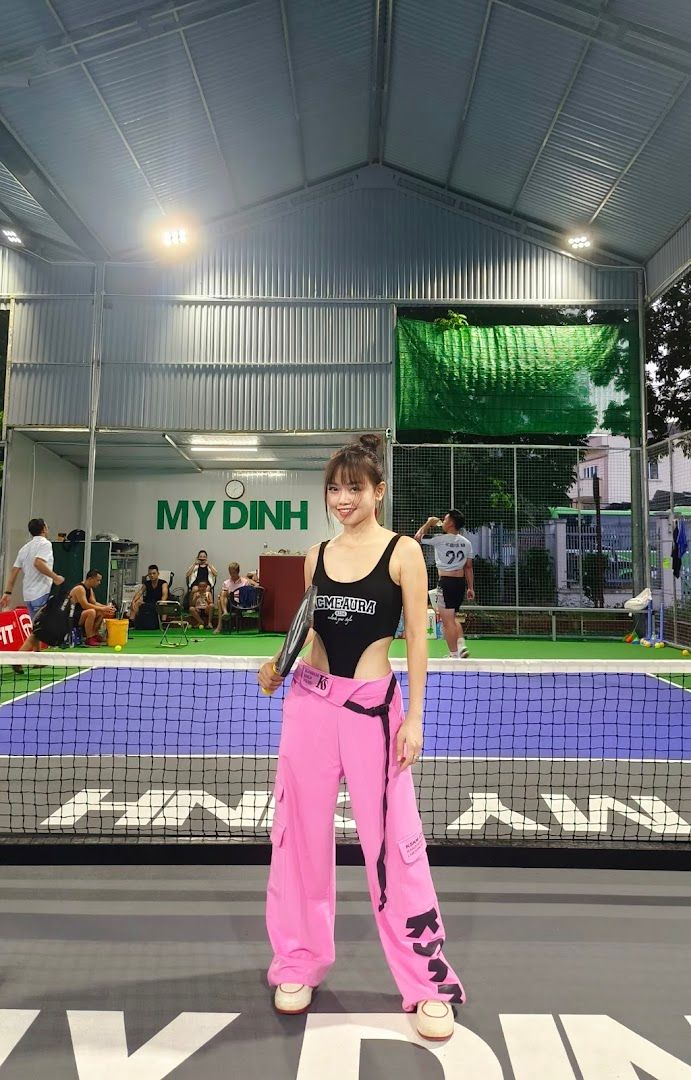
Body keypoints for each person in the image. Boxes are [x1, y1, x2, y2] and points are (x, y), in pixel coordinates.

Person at [258, 434, 464, 1041]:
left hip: (374, 712)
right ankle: (298, 961)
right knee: (299, 839)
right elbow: (307, 631)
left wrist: (415, 717)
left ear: (379, 491)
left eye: (354, 487)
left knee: (396, 845)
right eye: (334, 488)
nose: (342, 498)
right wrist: (277, 666)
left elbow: (418, 640)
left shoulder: (404, 552)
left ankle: (426, 982)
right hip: (309, 707)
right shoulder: (315, 555)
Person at [0, 518, 65, 659]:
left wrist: (7, 592)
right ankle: (18, 659)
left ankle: (37, 659)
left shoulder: (24, 548)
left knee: (37, 626)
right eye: (47, 526)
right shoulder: (45, 544)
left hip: (28, 594)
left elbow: (14, 570)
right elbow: (38, 563)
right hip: (40, 592)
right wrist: (55, 577)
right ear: (44, 529)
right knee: (39, 630)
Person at [414, 511, 475, 658]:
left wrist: (429, 523)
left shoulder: (439, 539)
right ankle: (461, 645)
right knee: (452, 617)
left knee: (447, 621)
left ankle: (454, 655)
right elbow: (468, 567)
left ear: (451, 523)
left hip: (446, 583)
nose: (443, 521)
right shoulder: (466, 543)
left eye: (446, 519)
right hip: (460, 583)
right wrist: (470, 587)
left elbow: (417, 537)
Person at [69, 570, 115, 647]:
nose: (99, 583)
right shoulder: (80, 589)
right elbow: (85, 605)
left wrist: (107, 608)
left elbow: (94, 603)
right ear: (90, 579)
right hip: (71, 617)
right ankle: (89, 638)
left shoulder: (89, 589)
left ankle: (94, 634)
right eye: (97, 580)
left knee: (101, 612)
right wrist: (103, 608)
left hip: (81, 614)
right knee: (91, 612)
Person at [214, 562, 253, 633]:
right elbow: (223, 595)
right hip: (229, 602)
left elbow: (247, 596)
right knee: (222, 595)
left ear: (238, 572)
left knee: (219, 601)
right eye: (230, 573)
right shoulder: (226, 582)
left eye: (234, 573)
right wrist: (229, 595)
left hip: (240, 602)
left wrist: (234, 595)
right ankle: (225, 612)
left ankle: (219, 626)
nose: (232, 575)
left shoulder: (245, 582)